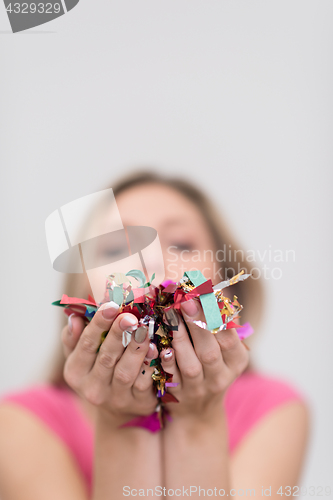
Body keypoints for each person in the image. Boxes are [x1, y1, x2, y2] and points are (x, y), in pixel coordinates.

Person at [0, 171, 309, 500]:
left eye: (182, 244)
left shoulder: (273, 409)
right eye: (118, 247)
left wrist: (198, 420)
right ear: (81, 288)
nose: (151, 259)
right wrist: (122, 419)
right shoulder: (19, 423)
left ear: (225, 281)